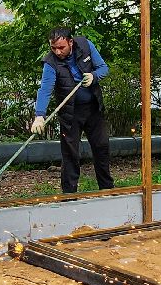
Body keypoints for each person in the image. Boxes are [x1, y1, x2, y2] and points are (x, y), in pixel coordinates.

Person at [31, 27, 114, 194]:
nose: (57, 51)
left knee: (101, 147)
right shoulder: (50, 63)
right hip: (70, 113)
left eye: (61, 47)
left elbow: (104, 68)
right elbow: (45, 89)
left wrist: (94, 76)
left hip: (93, 108)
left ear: (70, 42)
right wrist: (39, 116)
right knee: (70, 155)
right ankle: (69, 195)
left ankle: (107, 190)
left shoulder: (85, 45)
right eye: (53, 48)